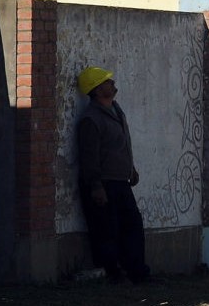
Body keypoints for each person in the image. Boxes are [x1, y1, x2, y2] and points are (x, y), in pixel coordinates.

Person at [76, 65, 150, 284]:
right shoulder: (91, 119)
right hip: (104, 184)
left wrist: (131, 169)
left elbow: (121, 144)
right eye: (107, 82)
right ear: (97, 90)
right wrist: (96, 186)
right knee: (107, 230)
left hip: (121, 181)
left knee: (133, 226)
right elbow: (89, 156)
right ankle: (114, 273)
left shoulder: (117, 111)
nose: (112, 84)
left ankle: (138, 272)